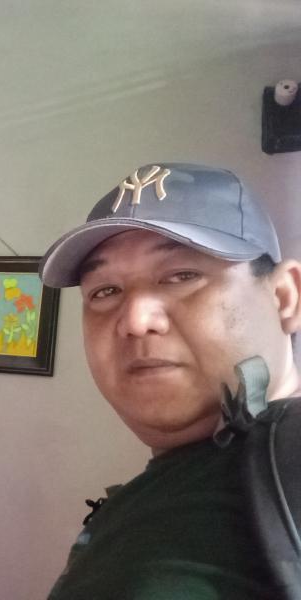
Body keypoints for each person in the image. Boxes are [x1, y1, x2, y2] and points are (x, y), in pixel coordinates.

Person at [39, 164, 301, 599]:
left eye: (182, 276)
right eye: (105, 291)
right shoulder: (177, 482)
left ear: (284, 298)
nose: (135, 319)